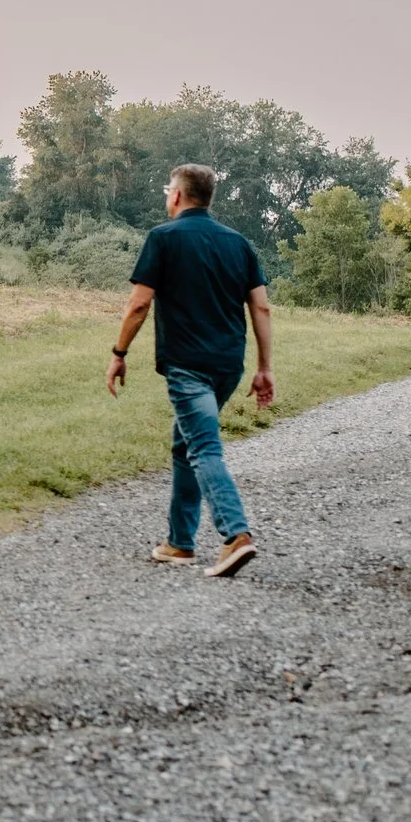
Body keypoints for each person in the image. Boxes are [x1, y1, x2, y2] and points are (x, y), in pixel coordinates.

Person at [105, 163, 273, 578]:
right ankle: (180, 543)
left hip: (187, 366)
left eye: (168, 192)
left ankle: (236, 535)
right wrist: (264, 368)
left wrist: (119, 352)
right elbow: (262, 307)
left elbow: (140, 303)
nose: (167, 198)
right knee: (186, 445)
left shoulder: (163, 238)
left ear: (177, 195)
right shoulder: (239, 243)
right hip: (228, 366)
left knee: (202, 448)